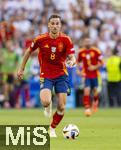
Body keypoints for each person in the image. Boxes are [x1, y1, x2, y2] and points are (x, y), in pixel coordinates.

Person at [17, 14, 76, 137]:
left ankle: (52, 128)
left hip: (61, 74)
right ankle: (47, 106)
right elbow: (28, 51)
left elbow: (72, 57)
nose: (55, 26)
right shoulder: (40, 39)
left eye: (57, 23)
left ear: (60, 25)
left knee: (61, 107)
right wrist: (21, 69)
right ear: (49, 25)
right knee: (45, 101)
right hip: (46, 74)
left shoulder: (66, 39)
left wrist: (72, 61)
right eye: (52, 23)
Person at [77, 38, 103, 116]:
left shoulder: (96, 51)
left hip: (95, 75)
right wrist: (78, 71)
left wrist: (94, 67)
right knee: (86, 90)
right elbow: (78, 62)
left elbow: (101, 62)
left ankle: (95, 101)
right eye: (86, 41)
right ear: (84, 43)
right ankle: (87, 108)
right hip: (86, 75)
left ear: (91, 42)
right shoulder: (81, 52)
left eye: (88, 41)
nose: (87, 43)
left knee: (95, 91)